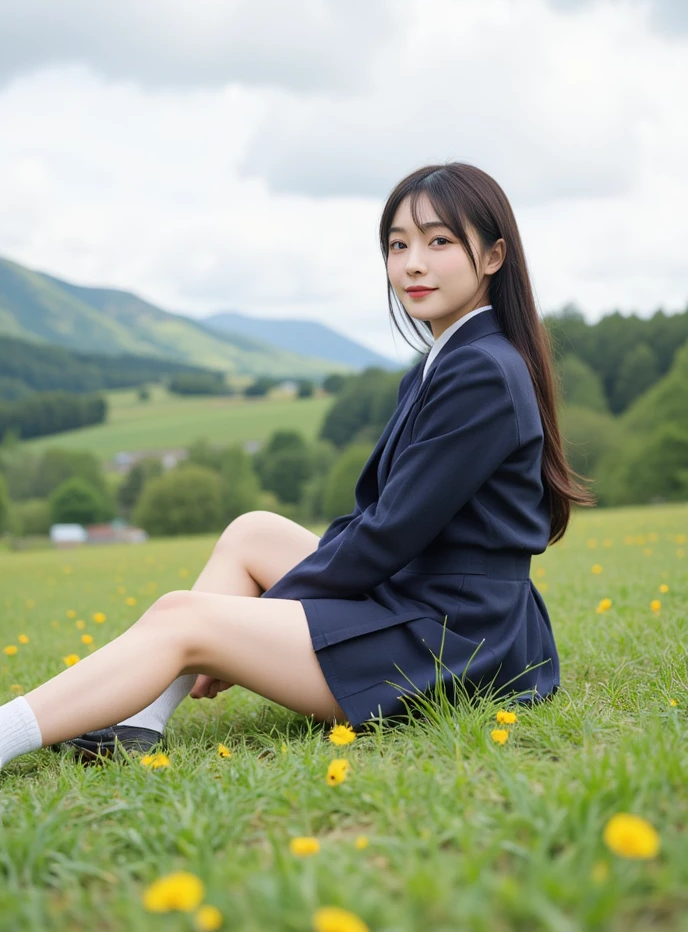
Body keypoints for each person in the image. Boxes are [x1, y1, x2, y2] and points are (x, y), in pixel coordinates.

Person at [0, 162, 594, 771]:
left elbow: (390, 533)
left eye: (439, 241)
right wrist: (257, 620)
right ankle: (138, 723)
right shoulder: (443, 362)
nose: (413, 263)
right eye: (398, 244)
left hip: (455, 644)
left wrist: (253, 621)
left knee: (184, 615)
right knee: (253, 531)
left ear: (493, 256)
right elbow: (377, 520)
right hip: (431, 604)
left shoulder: (482, 372)